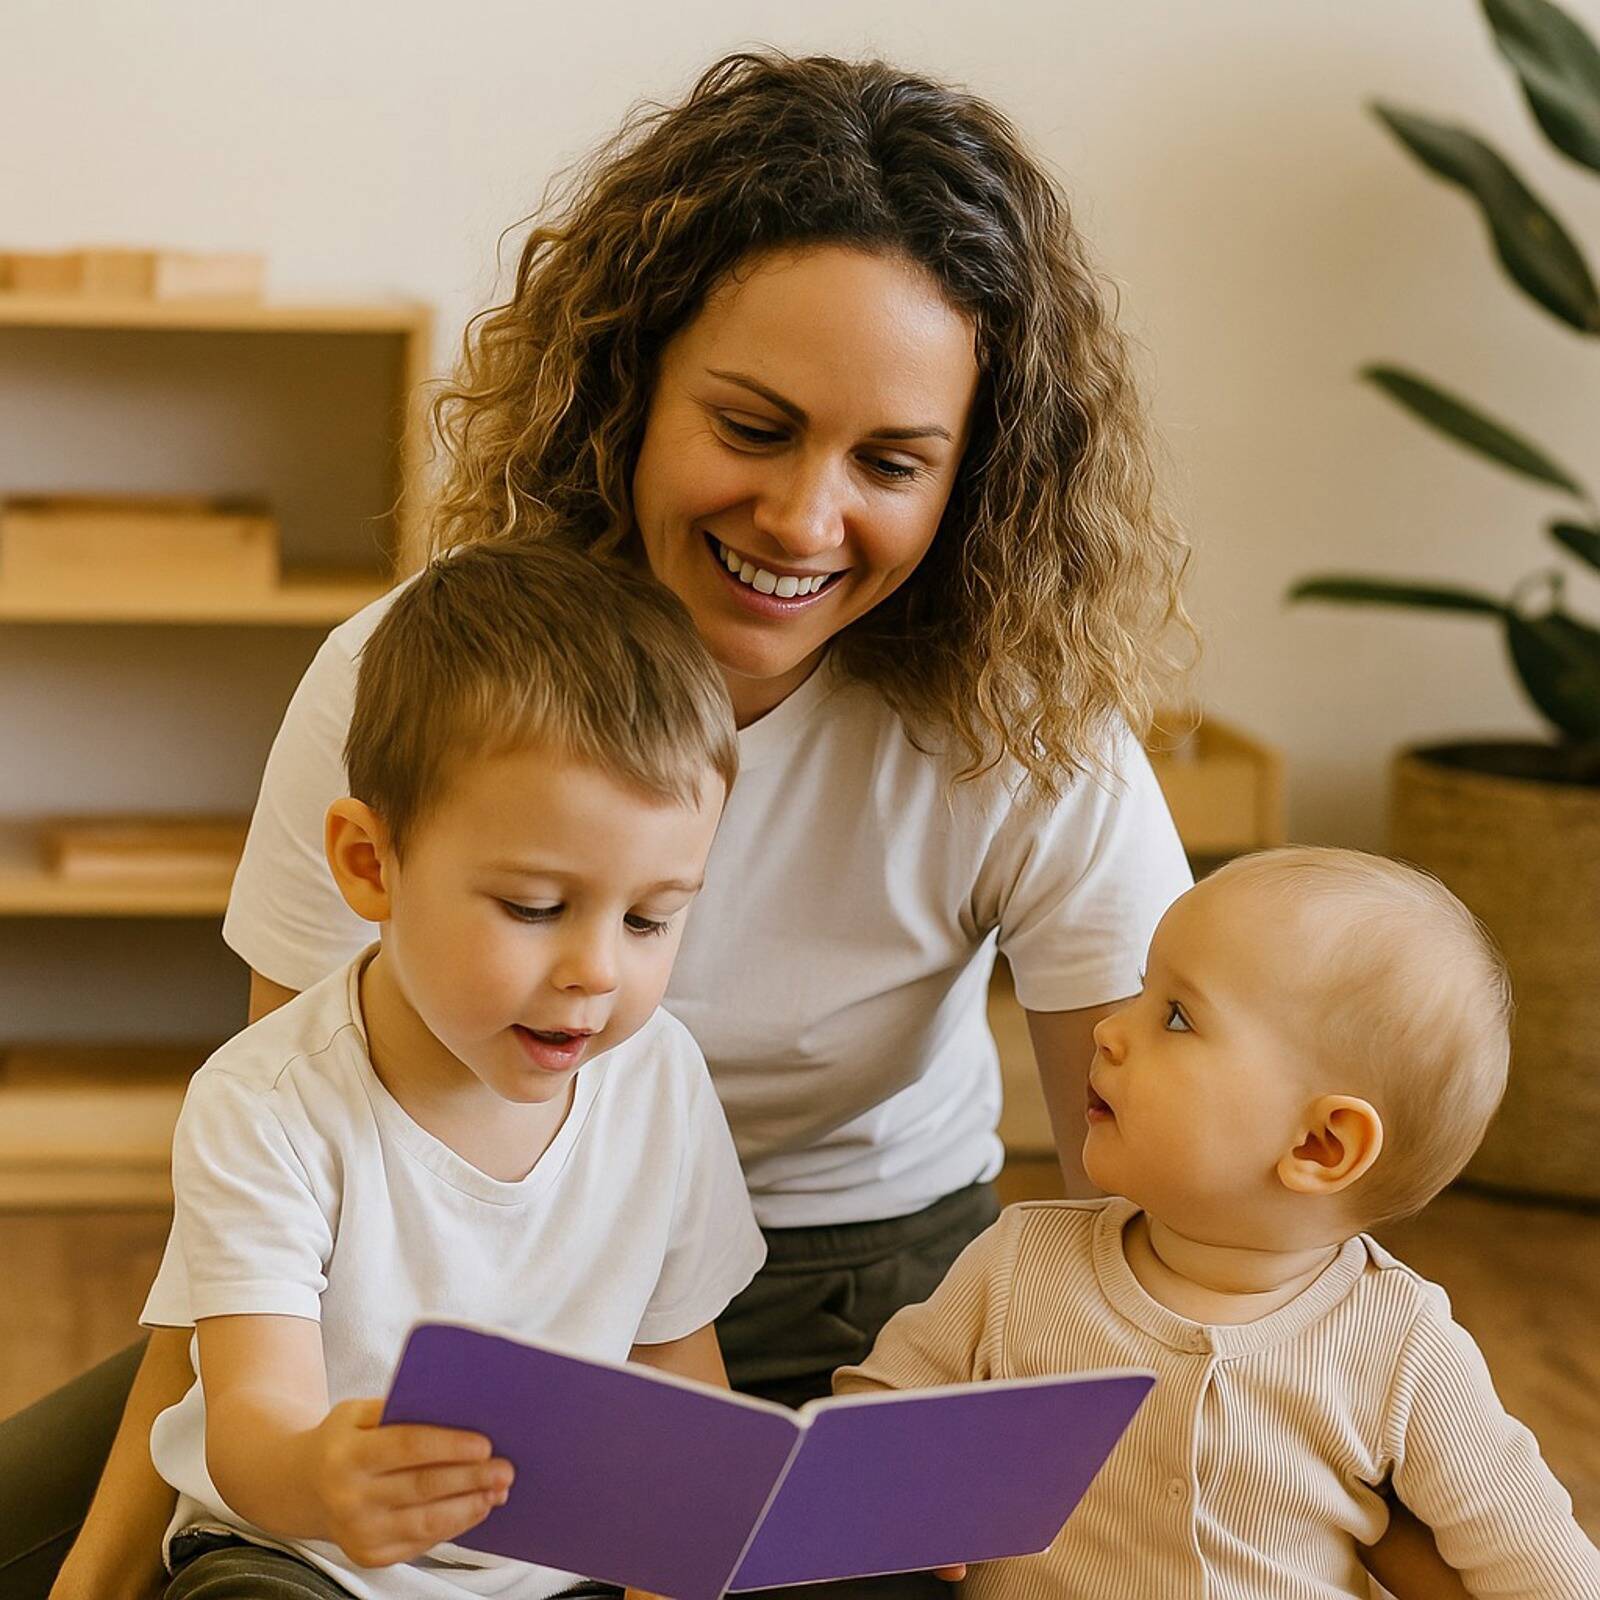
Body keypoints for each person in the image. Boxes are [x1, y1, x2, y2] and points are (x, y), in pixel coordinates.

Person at [3, 50, 1453, 1600]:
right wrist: (110, 1556)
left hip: (867, 1315)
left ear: (971, 482)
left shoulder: (1024, 725)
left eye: (890, 464)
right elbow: (278, 1162)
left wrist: (1361, 1478)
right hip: (444, 1299)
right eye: (753, 429)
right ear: (627, 387)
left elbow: (1178, 1209)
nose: (805, 521)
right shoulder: (407, 679)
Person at [150, 539, 765, 1600]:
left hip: (548, 1573)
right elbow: (250, 1425)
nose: (595, 971)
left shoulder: (659, 1079)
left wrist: (676, 1560)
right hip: (304, 1554)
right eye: (533, 907)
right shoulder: (265, 1103)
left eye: (652, 917)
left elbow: (677, 1378)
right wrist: (322, 1474)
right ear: (368, 864)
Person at [837, 847, 1600, 1598]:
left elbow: (1539, 1564)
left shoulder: (1403, 1344)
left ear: (1320, 1145)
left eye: (1174, 1015)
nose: (1108, 1028)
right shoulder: (1017, 1262)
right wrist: (904, 1482)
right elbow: (872, 1412)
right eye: (1141, 989)